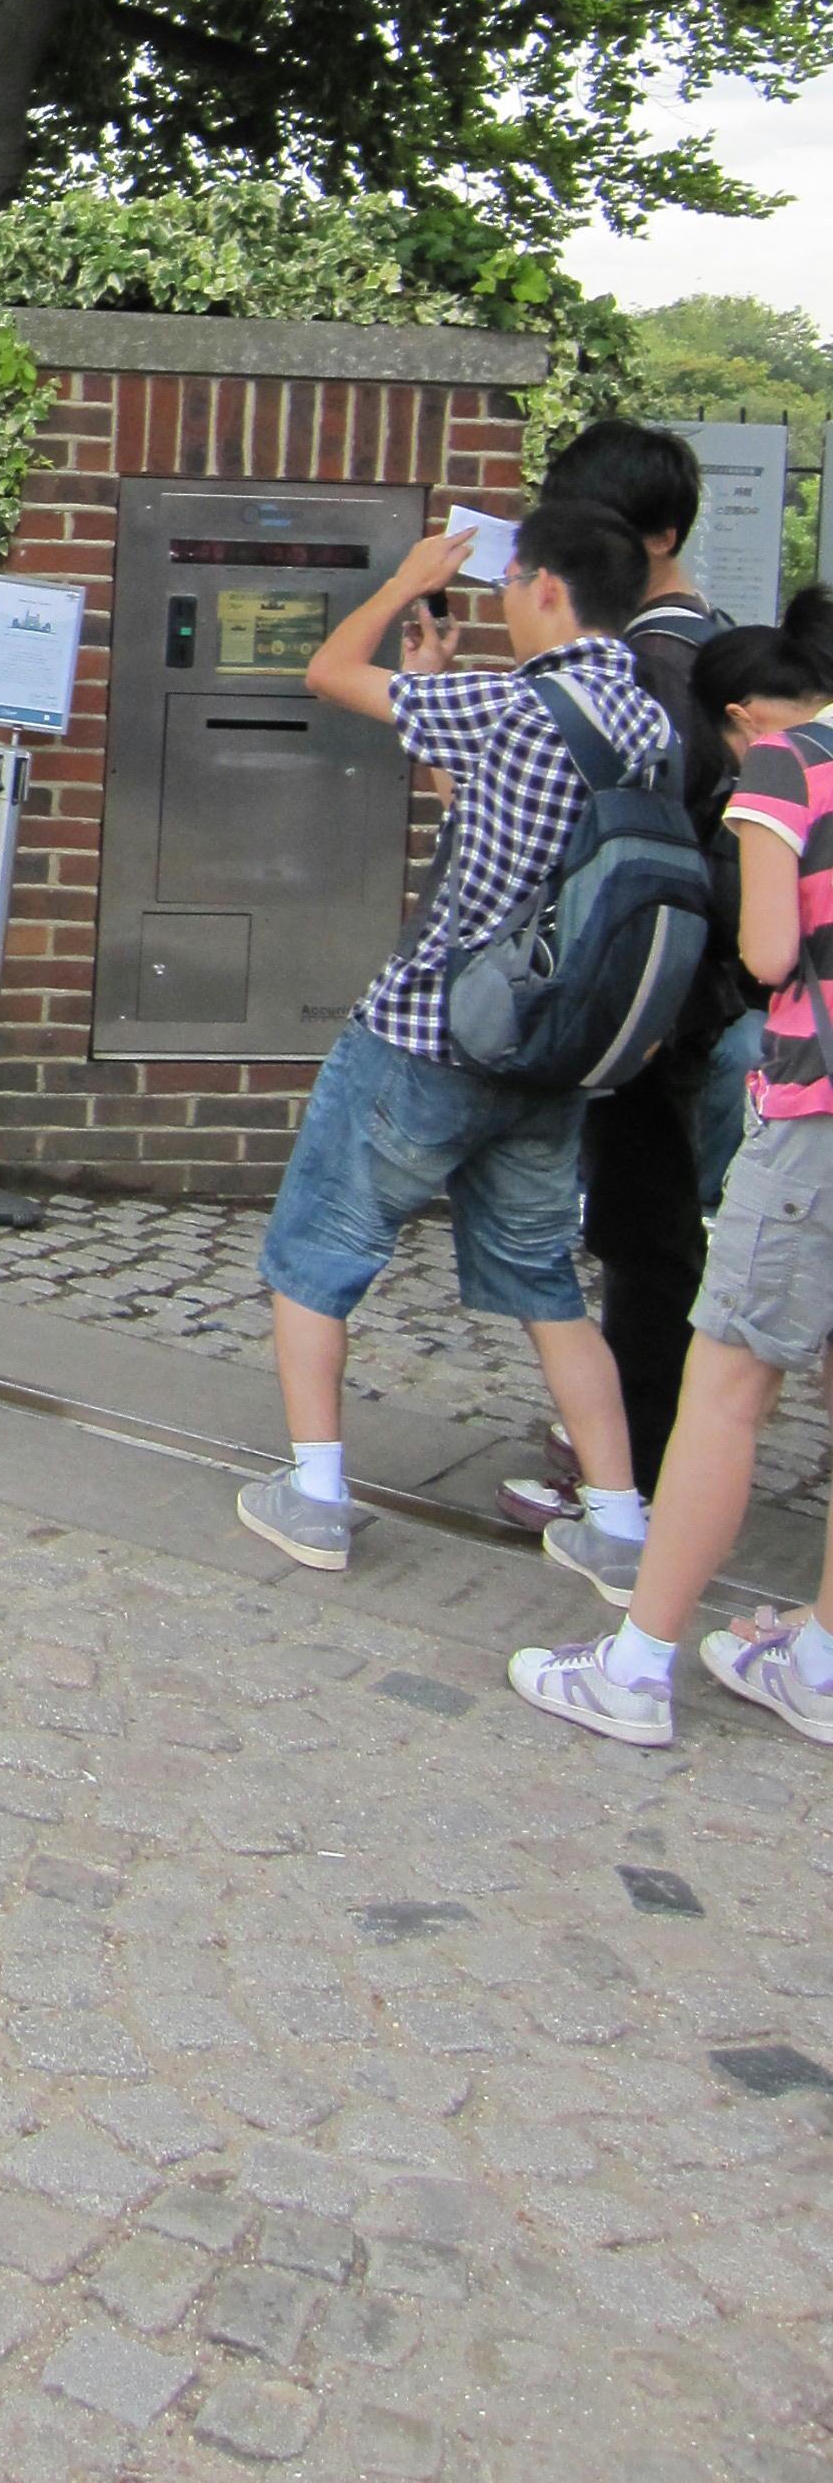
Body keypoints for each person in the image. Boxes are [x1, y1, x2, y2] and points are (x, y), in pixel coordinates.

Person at [236, 495, 674, 1580]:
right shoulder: (651, 730)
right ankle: (618, 1521)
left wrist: (404, 583)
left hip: (427, 1035)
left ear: (548, 588)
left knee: (317, 1249)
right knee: (545, 1284)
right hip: (550, 1056)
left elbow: (329, 672)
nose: (509, 599)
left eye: (515, 581)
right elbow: (502, 832)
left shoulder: (510, 704)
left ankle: (316, 1496)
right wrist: (435, 684)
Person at [510, 586, 833, 1750]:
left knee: (726, 1389)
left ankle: (638, 1664)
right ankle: (819, 1658)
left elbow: (768, 951)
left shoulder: (791, 763)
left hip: (817, 1112)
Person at [499, 423, 749, 1505]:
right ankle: (633, 1448)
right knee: (643, 1214)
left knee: (646, 1224)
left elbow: (623, 828)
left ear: (660, 538)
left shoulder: (661, 661)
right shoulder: (699, 645)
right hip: (672, 981)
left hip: (653, 988)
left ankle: (636, 1471)